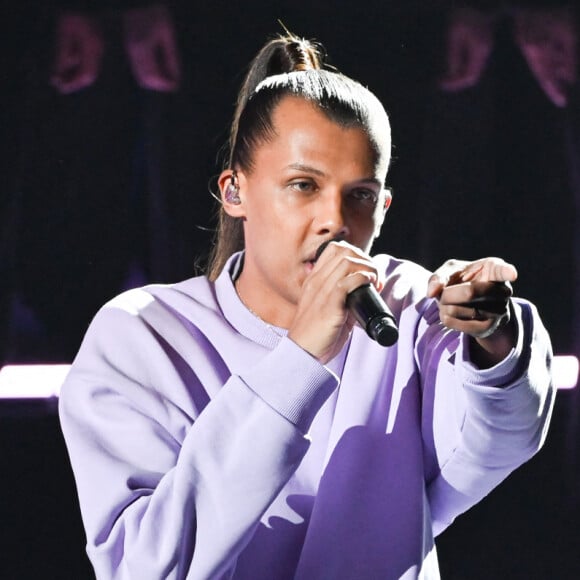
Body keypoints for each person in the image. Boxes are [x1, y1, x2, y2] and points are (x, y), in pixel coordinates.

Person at [59, 33, 555, 579]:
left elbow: (493, 450)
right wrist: (299, 359)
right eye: (302, 185)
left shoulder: (406, 307)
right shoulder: (143, 334)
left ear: (384, 205)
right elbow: (145, 568)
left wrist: (496, 341)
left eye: (360, 195)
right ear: (235, 192)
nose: (334, 220)